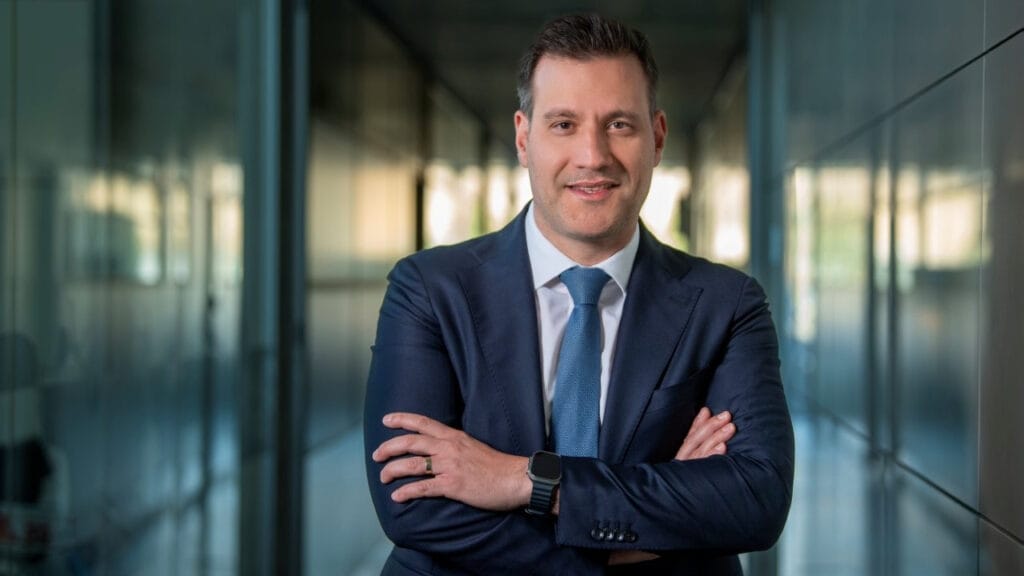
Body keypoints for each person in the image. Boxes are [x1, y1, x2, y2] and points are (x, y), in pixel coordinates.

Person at [364, 13, 794, 575]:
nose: (592, 156)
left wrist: (519, 479)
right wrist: (638, 540)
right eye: (563, 124)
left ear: (657, 137)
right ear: (524, 138)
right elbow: (411, 505)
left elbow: (753, 501)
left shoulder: (726, 304)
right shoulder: (428, 290)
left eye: (619, 124)